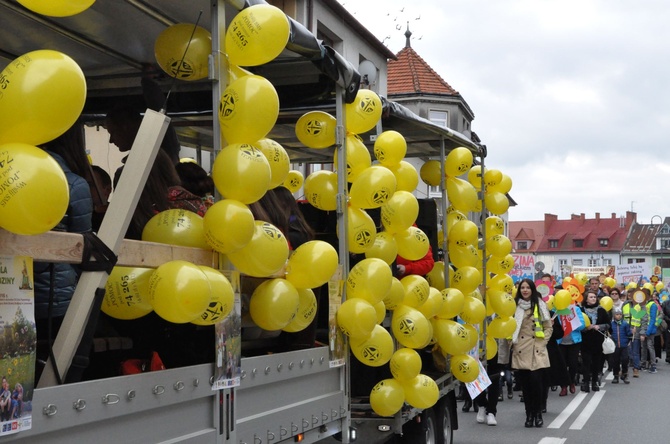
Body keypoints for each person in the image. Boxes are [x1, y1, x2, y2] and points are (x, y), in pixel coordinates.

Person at [35, 124, 93, 380]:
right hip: (56, 301)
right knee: (57, 374)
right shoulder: (75, 184)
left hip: (12, 292)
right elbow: (84, 249)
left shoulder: (12, 175)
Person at [105, 105, 179, 189]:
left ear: (126, 127)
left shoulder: (130, 172)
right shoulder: (160, 154)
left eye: (113, 132)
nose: (111, 140)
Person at [511, 278, 552, 428]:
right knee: (526, 388)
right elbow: (509, 327)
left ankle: (538, 414)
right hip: (521, 349)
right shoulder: (514, 306)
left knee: (537, 385)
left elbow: (548, 327)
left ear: (533, 289)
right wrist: (512, 343)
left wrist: (542, 342)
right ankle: (529, 415)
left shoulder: (540, 305)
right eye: (522, 288)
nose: (525, 290)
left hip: (537, 349)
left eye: (528, 287)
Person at [579, 290, 610, 392]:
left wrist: (599, 326)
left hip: (598, 340)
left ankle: (595, 381)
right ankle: (586, 382)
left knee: (596, 362)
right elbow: (577, 325)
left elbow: (608, 325)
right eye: (591, 297)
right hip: (585, 340)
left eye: (594, 297)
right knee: (586, 362)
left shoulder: (601, 310)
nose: (593, 299)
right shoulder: (581, 310)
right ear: (586, 299)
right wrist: (586, 328)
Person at [557, 302, 584, 395]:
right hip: (561, 342)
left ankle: (571, 382)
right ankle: (563, 386)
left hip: (573, 342)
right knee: (562, 365)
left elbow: (582, 326)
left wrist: (572, 320)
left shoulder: (575, 309)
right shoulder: (555, 310)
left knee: (573, 364)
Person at [630, 289, 649, 378]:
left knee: (635, 352)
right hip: (626, 332)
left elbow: (644, 321)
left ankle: (636, 368)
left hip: (636, 334)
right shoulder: (628, 305)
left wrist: (642, 333)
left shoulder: (644, 308)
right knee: (625, 351)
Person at [610, 307, 632, 384]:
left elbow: (629, 333)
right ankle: (616, 375)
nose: (618, 316)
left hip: (624, 345)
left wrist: (630, 336)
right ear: (614, 315)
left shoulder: (625, 324)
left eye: (620, 314)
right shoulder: (611, 324)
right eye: (617, 314)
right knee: (615, 361)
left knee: (625, 360)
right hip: (615, 346)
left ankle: (625, 374)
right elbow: (610, 334)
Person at [89, 165, 112, 232]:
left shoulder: (118, 218)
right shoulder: (75, 214)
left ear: (107, 190)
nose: (84, 188)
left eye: (91, 185)